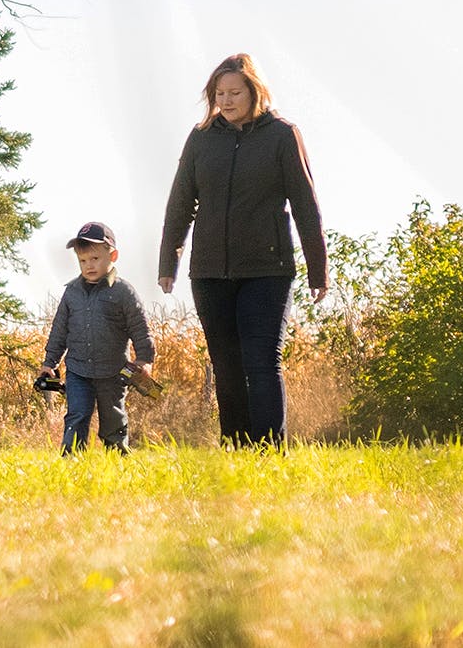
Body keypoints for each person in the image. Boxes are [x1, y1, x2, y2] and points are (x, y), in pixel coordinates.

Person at [158, 53, 328, 448]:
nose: (227, 101)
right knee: (227, 366)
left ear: (255, 92)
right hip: (210, 271)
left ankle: (269, 450)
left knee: (261, 362)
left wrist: (318, 270)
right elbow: (180, 202)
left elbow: (306, 205)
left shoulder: (282, 135)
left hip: (267, 268)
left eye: (235, 92)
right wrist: (170, 260)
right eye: (220, 93)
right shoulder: (202, 138)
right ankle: (236, 446)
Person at [40, 221, 156, 454]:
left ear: (112, 255)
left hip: (113, 372)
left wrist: (145, 359)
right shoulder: (71, 292)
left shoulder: (123, 292)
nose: (89, 265)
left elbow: (139, 327)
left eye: (95, 259)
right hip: (78, 370)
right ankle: (72, 460)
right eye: (83, 261)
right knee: (77, 415)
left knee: (113, 416)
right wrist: (49, 363)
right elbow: (59, 330)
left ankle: (118, 457)